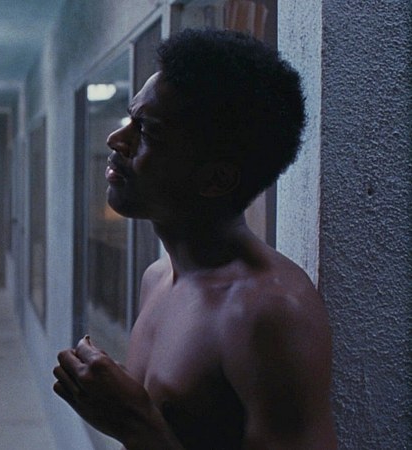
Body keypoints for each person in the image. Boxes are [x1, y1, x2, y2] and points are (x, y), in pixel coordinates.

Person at [53, 28, 337, 449]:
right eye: (130, 119)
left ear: (215, 179)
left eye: (147, 131)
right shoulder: (157, 276)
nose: (116, 140)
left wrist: (136, 425)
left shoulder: (269, 314)